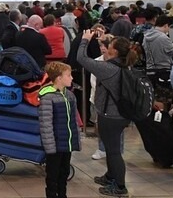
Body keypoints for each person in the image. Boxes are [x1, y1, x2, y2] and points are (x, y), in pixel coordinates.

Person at [77, 29, 137, 197]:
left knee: (113, 150)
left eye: (110, 45)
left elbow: (81, 59)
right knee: (112, 148)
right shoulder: (124, 64)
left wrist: (85, 40)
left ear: (115, 51)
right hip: (118, 114)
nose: (106, 46)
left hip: (111, 115)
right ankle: (110, 176)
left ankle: (120, 186)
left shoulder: (108, 69)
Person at [38, 62, 80, 198]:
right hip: (54, 144)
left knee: (64, 172)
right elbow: (46, 125)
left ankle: (62, 194)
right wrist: (50, 146)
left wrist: (75, 139)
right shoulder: (47, 97)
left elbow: (74, 120)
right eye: (68, 75)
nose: (72, 78)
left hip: (67, 143)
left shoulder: (70, 96)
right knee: (53, 174)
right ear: (59, 78)